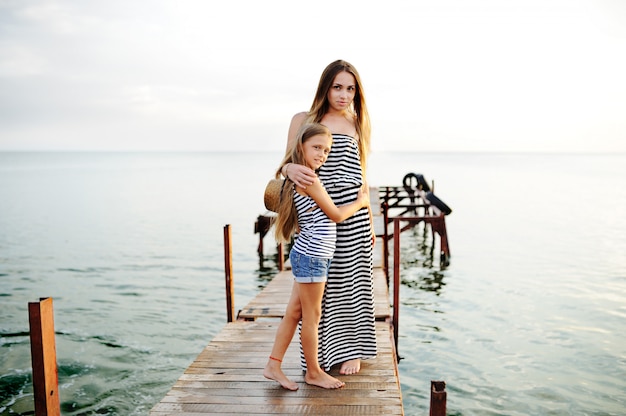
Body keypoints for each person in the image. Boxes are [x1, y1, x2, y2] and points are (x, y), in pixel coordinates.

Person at [281, 59, 377, 376]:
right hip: (318, 216)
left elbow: (362, 176)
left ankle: (352, 350)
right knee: (324, 288)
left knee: (353, 283)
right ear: (326, 87)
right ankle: (319, 357)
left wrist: (371, 220)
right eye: (338, 87)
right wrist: (288, 168)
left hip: (353, 216)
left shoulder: (357, 122)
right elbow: (285, 163)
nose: (344, 95)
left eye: (350, 89)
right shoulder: (304, 120)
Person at [263, 122, 370, 390]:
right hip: (312, 256)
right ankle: (313, 372)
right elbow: (335, 214)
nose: (322, 154)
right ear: (301, 147)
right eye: (317, 148)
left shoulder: (302, 175)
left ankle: (273, 365)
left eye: (327, 150)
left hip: (305, 253)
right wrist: (362, 202)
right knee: (311, 317)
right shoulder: (310, 179)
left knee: (294, 313)